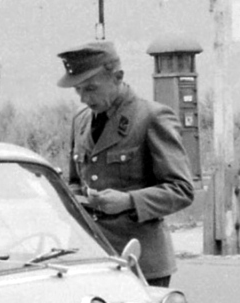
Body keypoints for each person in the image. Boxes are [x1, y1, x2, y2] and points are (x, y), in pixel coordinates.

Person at [56, 40, 194, 287]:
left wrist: (128, 201)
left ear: (118, 77)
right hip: (93, 257)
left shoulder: (152, 117)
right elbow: (76, 182)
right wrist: (73, 198)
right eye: (78, 90)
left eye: (91, 88)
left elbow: (181, 190)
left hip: (140, 263)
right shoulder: (81, 121)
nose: (84, 98)